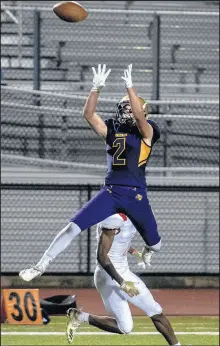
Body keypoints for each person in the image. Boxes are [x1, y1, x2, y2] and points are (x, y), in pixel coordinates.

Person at [19, 63, 161, 283]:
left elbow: (141, 121)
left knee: (156, 244)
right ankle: (40, 265)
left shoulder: (148, 130)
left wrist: (130, 88)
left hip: (136, 194)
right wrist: (96, 88)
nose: (125, 110)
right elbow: (88, 114)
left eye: (129, 107)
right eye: (123, 107)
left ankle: (148, 250)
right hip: (111, 191)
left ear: (141, 110)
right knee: (73, 227)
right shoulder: (113, 128)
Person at [66, 213, 182, 346]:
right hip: (112, 276)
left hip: (113, 275)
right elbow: (102, 256)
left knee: (125, 327)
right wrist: (122, 282)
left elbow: (119, 242)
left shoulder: (126, 213)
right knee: (155, 311)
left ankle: (79, 316)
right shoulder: (115, 217)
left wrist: (136, 253)